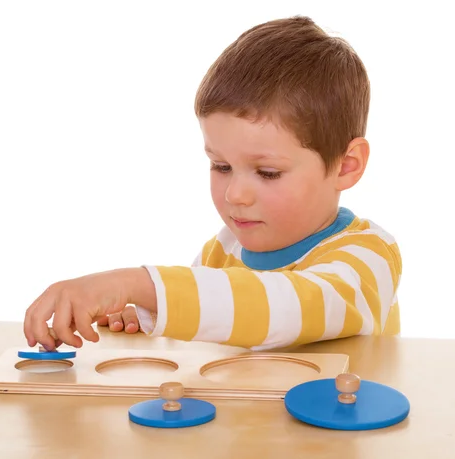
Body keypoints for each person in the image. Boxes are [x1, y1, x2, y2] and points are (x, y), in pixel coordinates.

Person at [23, 15, 402, 352]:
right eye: (220, 166)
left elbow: (287, 308)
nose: (234, 194)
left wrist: (136, 284)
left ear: (346, 166)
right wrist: (153, 315)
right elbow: (210, 315)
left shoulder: (368, 257)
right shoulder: (223, 250)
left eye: (268, 173)